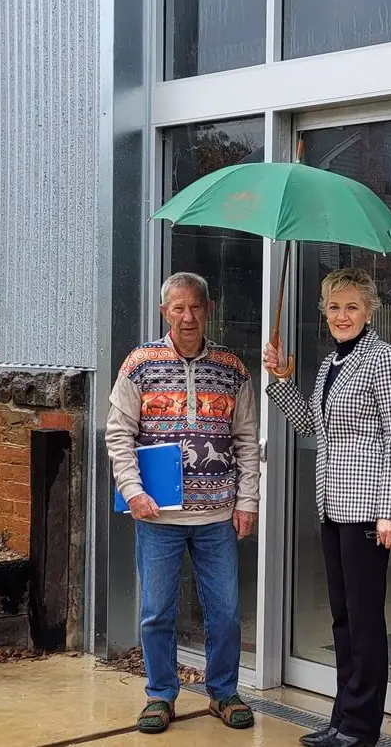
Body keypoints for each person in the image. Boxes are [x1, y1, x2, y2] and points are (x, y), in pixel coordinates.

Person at [264, 267, 391, 747]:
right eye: (334, 307)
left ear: (370, 311)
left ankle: (361, 727)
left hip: (369, 510)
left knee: (366, 620)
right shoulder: (332, 364)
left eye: (352, 307)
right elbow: (311, 425)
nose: (342, 315)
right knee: (343, 618)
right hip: (332, 505)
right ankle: (341, 718)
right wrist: (281, 379)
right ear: (324, 312)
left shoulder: (385, 360)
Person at [107, 271, 261, 734]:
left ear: (207, 310)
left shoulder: (232, 368)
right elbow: (119, 434)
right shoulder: (139, 364)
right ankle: (160, 695)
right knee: (157, 610)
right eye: (178, 308)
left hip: (218, 516)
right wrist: (132, 491)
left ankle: (223, 692)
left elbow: (247, 440)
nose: (187, 316)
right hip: (159, 515)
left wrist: (247, 500)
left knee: (226, 611)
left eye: (195, 307)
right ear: (164, 312)